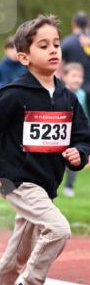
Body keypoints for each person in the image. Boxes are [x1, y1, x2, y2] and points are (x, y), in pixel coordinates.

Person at [0, 14, 90, 285]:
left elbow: (83, 137)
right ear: (24, 56)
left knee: (18, 252)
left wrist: (79, 154)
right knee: (59, 229)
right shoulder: (13, 95)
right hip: (17, 180)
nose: (54, 51)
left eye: (56, 44)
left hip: (45, 184)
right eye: (43, 46)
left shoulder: (66, 97)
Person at [60, 62, 89, 197]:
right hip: (61, 131)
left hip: (75, 133)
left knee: (75, 157)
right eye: (74, 76)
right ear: (64, 77)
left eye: (80, 77)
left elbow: (84, 113)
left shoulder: (82, 94)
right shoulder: (59, 93)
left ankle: (69, 185)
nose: (77, 79)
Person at [61, 11, 90, 95]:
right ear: (88, 24)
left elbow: (59, 64)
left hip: (73, 89)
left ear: (73, 23)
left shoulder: (66, 42)